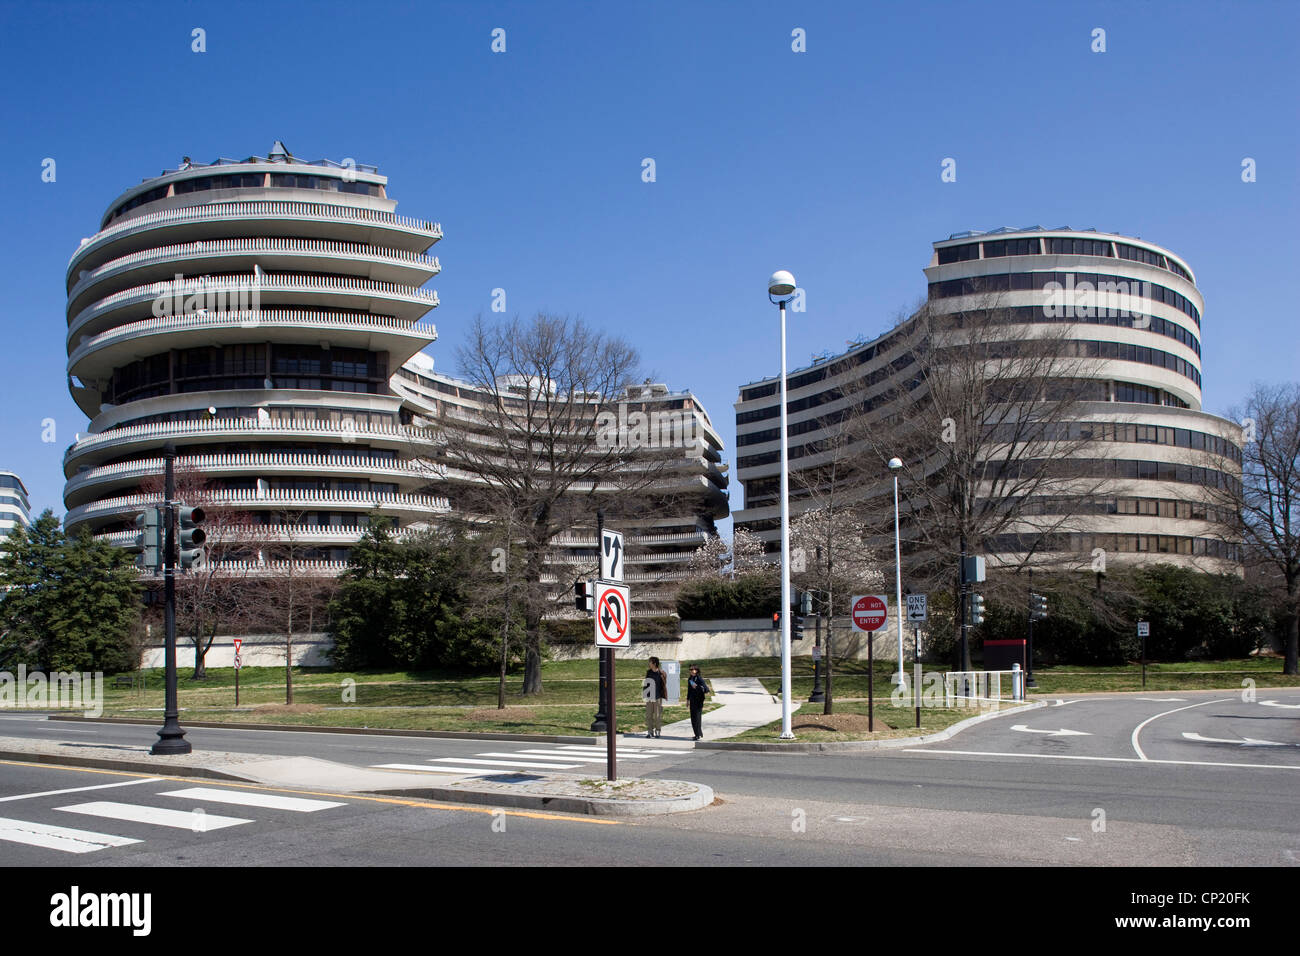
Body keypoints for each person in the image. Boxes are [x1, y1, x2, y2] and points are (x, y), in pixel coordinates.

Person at [643, 656, 667, 738]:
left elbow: (663, 685)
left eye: (650, 662)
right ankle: (650, 732)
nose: (649, 664)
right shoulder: (649, 672)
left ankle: (658, 731)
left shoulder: (661, 673)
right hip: (649, 697)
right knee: (649, 715)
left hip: (657, 697)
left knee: (657, 715)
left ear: (654, 663)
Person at [686, 665, 710, 740]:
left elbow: (706, 689)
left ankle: (699, 734)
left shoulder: (699, 678)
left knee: (697, 717)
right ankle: (696, 734)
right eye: (690, 669)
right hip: (692, 700)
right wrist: (687, 700)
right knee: (693, 718)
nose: (691, 671)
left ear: (696, 670)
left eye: (693, 669)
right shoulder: (690, 678)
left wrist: (697, 687)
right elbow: (689, 690)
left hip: (699, 701)